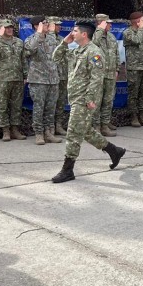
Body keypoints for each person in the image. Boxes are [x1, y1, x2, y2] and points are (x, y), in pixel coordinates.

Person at [51, 20, 126, 183]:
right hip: (76, 98)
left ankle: (67, 170)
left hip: (84, 100)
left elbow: (96, 78)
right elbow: (55, 57)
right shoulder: (77, 51)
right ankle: (114, 151)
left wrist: (90, 99)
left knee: (73, 133)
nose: (72, 33)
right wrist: (64, 42)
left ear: (84, 34)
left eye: (75, 31)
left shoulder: (94, 53)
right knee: (85, 131)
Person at [24, 15, 61, 145]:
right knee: (39, 108)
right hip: (38, 80)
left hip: (53, 79)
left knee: (51, 108)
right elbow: (30, 50)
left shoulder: (51, 38)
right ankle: (39, 134)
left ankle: (48, 132)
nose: (48, 25)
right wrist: (39, 34)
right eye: (45, 23)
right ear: (36, 26)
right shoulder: (30, 39)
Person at [0, 18, 26, 141]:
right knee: (2, 106)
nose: (9, 29)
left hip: (17, 78)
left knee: (17, 106)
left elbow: (23, 59)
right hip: (2, 79)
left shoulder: (19, 42)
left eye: (10, 27)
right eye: (6, 27)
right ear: (0, 29)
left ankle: (15, 130)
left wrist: (26, 75)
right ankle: (5, 131)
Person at [91, 13, 120, 136]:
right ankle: (95, 126)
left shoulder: (112, 37)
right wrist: (99, 30)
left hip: (110, 73)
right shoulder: (94, 36)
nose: (110, 25)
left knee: (108, 100)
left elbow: (116, 54)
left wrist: (117, 69)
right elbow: (93, 45)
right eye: (107, 23)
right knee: (96, 101)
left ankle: (105, 125)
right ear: (101, 24)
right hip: (98, 74)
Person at [123, 11, 143, 127]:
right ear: (136, 21)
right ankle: (134, 117)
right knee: (133, 93)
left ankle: (142, 115)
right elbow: (136, 40)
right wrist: (140, 29)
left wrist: (142, 30)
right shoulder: (127, 32)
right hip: (133, 67)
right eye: (141, 19)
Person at [49, 17, 69, 135]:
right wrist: (50, 32)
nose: (59, 27)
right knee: (51, 103)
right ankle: (50, 127)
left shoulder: (62, 39)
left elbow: (66, 57)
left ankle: (58, 125)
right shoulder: (46, 38)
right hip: (51, 76)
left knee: (61, 102)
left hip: (62, 75)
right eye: (56, 25)